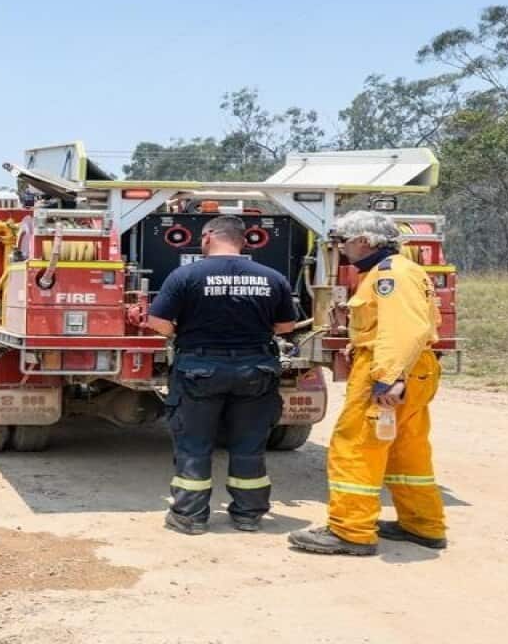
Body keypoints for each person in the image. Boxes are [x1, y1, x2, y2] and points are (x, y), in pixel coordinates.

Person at [288, 210, 446, 556]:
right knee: (407, 450)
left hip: (390, 369)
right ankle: (422, 524)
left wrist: (389, 377)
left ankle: (350, 531)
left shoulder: (389, 276)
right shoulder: (403, 271)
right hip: (413, 368)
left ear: (363, 241)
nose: (341, 249)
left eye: (343, 242)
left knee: (356, 446)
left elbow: (403, 329)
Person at [146, 215, 297, 535]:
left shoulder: (185, 275)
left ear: (208, 237)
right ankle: (248, 515)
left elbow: (158, 323)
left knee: (194, 446)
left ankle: (190, 517)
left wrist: (185, 331)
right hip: (256, 371)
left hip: (199, 371)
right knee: (249, 445)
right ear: (243, 240)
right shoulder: (272, 277)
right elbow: (285, 328)